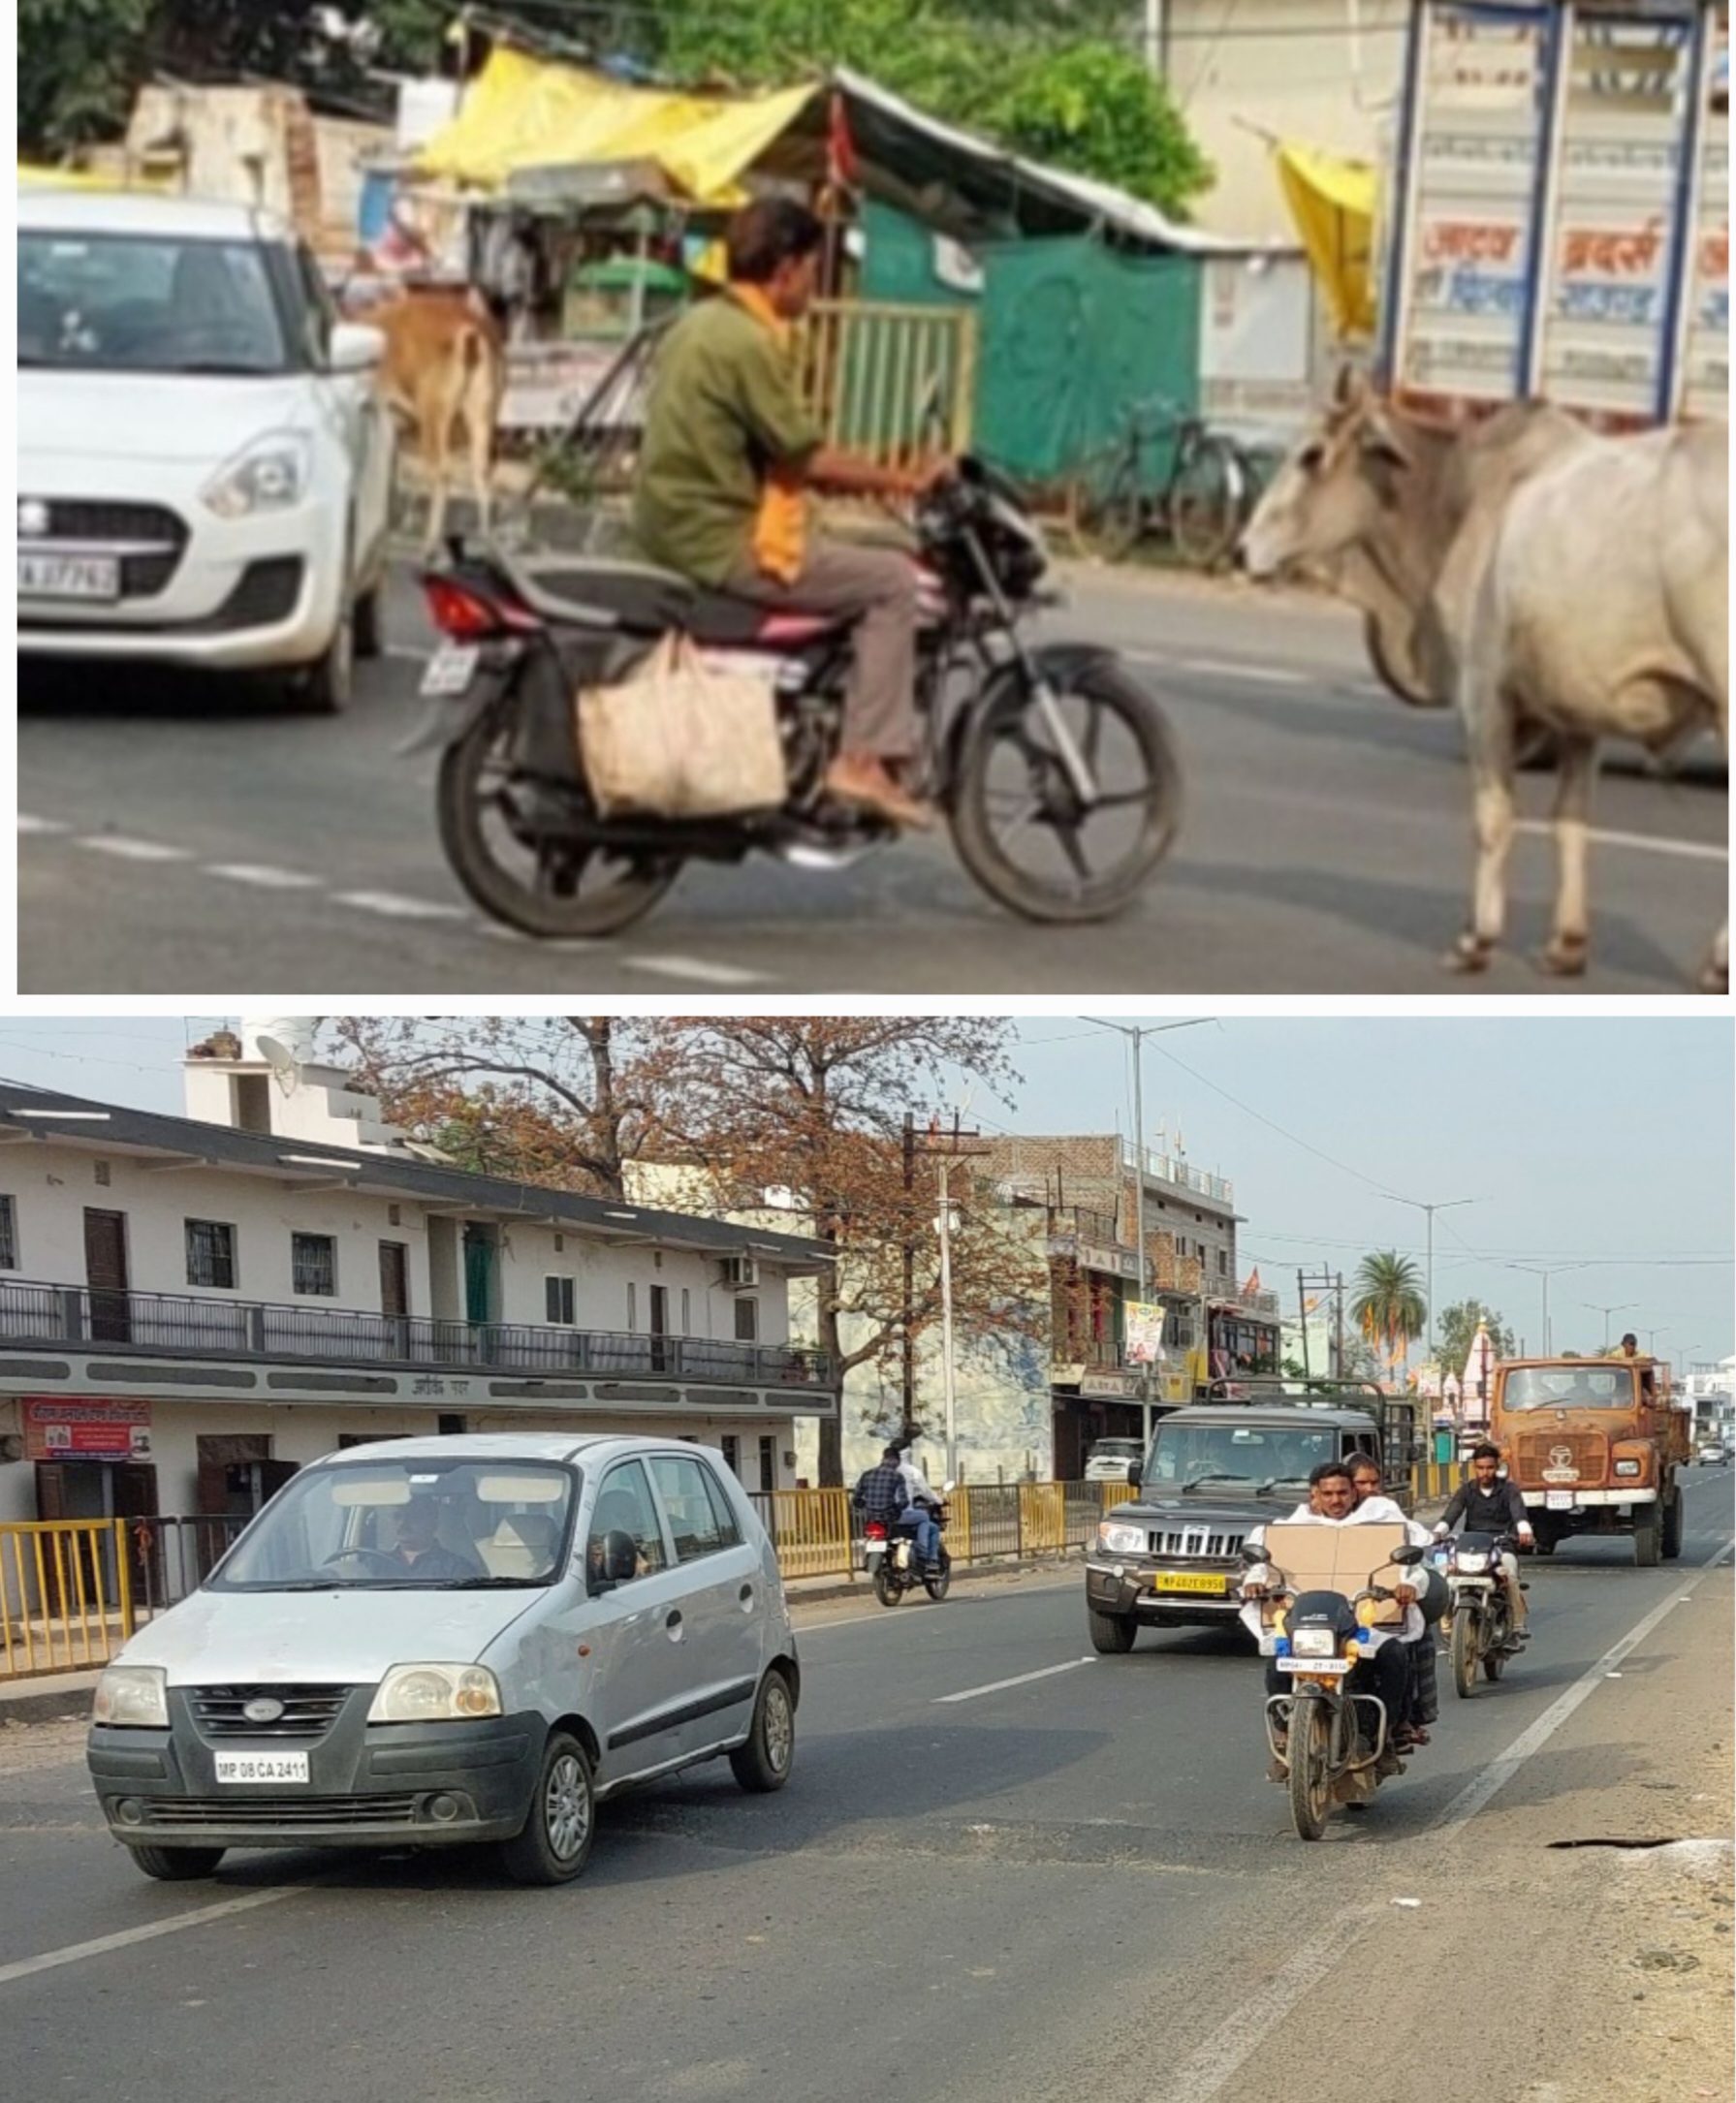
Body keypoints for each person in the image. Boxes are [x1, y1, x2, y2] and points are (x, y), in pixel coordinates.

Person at [633, 196, 944, 833]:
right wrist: (906, 478)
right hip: (719, 540)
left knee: (848, 546)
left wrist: (869, 482)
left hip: (672, 525)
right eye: (810, 269)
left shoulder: (699, 323)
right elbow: (805, 454)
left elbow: (774, 452)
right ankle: (861, 759)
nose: (813, 284)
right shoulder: (747, 342)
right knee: (890, 581)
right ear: (783, 270)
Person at [1241, 1460, 1432, 1765]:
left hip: (1363, 1624)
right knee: (1277, 1660)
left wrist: (1410, 1587)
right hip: (1309, 1626)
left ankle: (1387, 1732)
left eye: (1342, 1492)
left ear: (1353, 1494)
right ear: (1314, 1494)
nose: (1335, 1500)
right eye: (1327, 1494)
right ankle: (1285, 1732)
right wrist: (1254, 1583)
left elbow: (1413, 1569)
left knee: (1394, 1656)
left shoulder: (1378, 1524)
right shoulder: (1291, 1528)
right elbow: (1262, 1566)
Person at [1349, 1455, 1439, 1746]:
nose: (1369, 1489)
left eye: (1375, 1482)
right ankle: (1288, 1728)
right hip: (1333, 1615)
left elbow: (1418, 1565)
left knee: (1409, 1644)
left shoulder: (1393, 1520)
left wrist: (1409, 1585)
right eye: (1361, 1483)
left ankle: (1399, 1720)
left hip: (1382, 1611)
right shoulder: (1319, 1522)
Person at [1436, 1442, 1532, 1641]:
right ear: (1475, 1468)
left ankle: (1516, 1623)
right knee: (1443, 1573)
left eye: (1489, 1467)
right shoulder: (1466, 1490)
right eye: (1480, 1468)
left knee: (1510, 1573)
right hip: (1470, 1547)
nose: (1485, 1472)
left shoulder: (1509, 1490)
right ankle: (1445, 1623)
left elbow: (1518, 1512)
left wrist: (1524, 1529)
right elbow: (1451, 1514)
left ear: (1497, 1467)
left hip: (1501, 1545)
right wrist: (1438, 1533)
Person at [383, 1496, 483, 1580]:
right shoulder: (374, 1563)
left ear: (433, 1523)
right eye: (397, 1517)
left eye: (412, 1517)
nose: (402, 1523)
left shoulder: (456, 1567)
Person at [894, 1443, 944, 1573]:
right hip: (902, 1515)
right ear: (908, 1454)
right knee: (927, 1522)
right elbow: (926, 1491)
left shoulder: (878, 1472)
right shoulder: (912, 1471)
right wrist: (938, 1500)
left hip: (878, 1517)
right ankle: (928, 1558)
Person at [854, 1445, 909, 1530]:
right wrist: (896, 1507)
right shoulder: (898, 1476)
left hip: (870, 1517)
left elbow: (856, 1499)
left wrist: (866, 1505)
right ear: (895, 1460)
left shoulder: (867, 1474)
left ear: (883, 1459)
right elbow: (904, 1502)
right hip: (889, 1517)